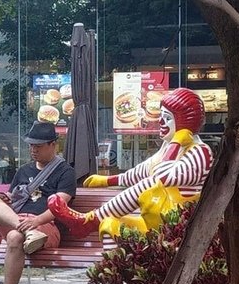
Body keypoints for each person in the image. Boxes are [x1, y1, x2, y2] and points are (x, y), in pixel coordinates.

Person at [48, 88, 214, 236]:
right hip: (158, 217)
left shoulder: (200, 152)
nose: (161, 122)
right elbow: (141, 171)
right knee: (110, 225)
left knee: (152, 184)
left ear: (185, 125)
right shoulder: (167, 147)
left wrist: (177, 142)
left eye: (168, 118)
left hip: (182, 222)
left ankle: (89, 221)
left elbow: (163, 176)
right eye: (161, 116)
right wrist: (107, 180)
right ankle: (112, 263)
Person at [0, 121, 76, 284]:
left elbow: (61, 208)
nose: (33, 150)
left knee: (15, 238)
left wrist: (37, 221)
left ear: (53, 145)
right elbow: (13, 196)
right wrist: (7, 199)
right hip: (19, 222)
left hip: (45, 226)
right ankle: (26, 231)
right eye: (31, 145)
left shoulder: (66, 172)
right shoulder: (23, 170)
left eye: (38, 146)